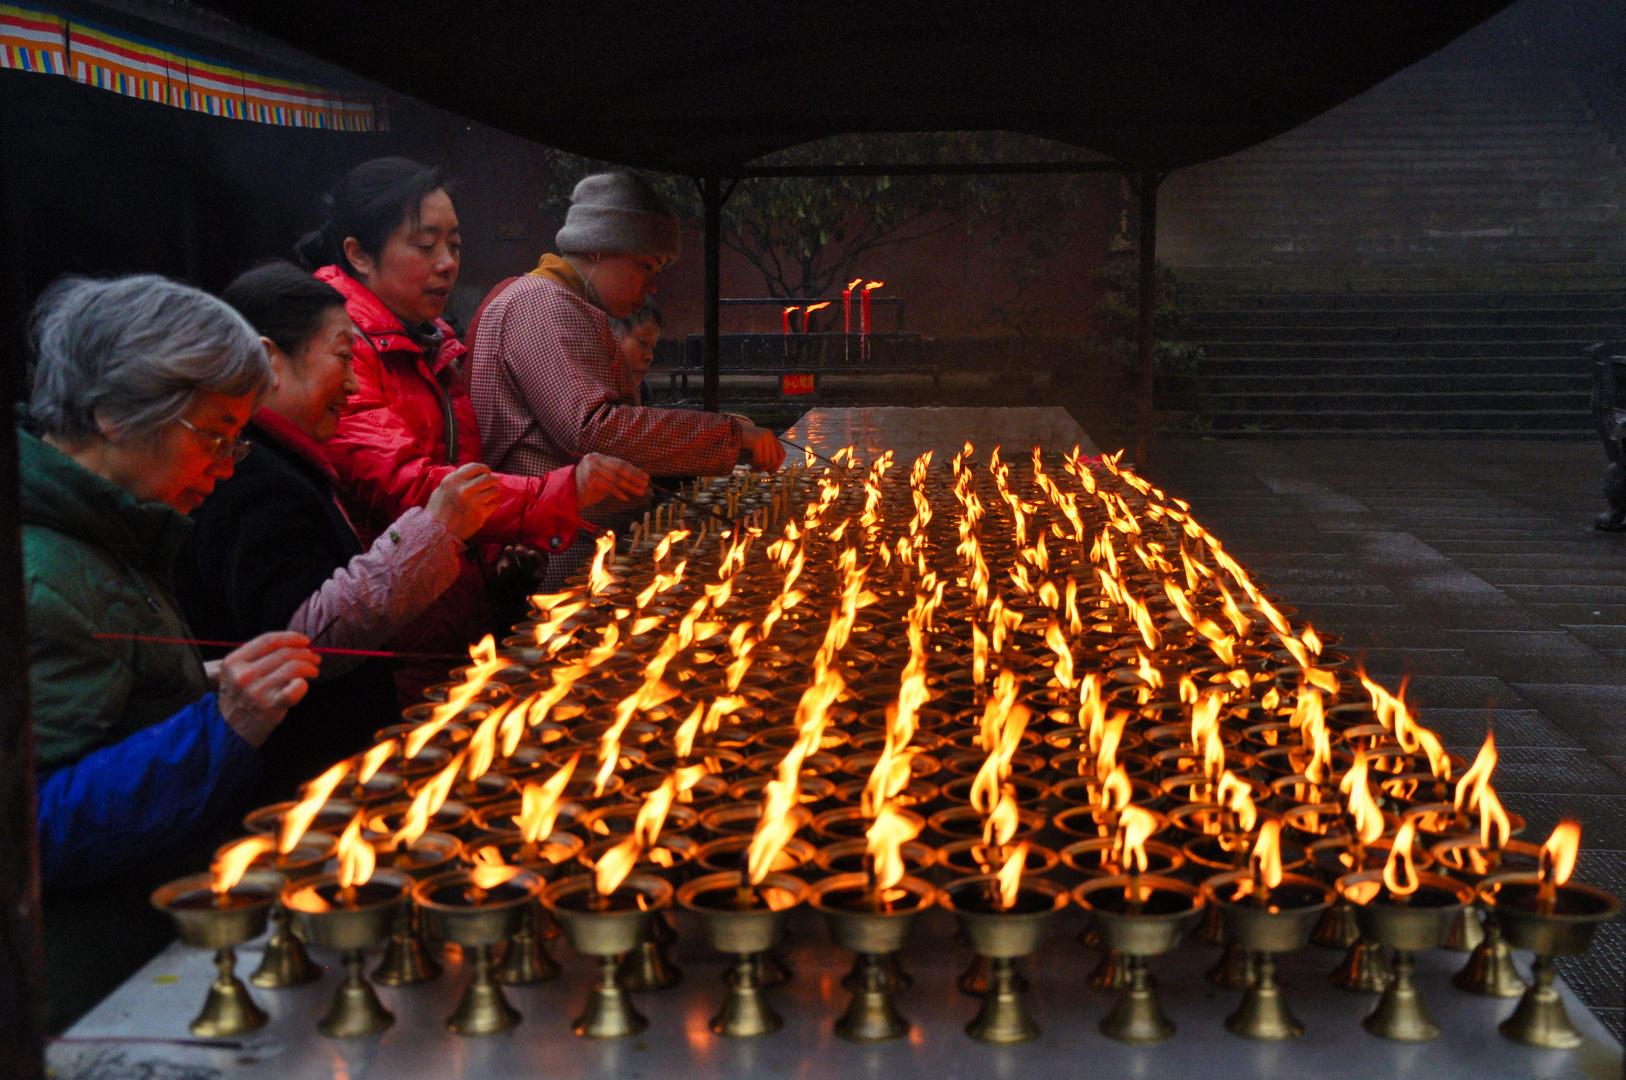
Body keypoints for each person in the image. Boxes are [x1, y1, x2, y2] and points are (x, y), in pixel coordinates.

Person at [22, 274, 321, 1030]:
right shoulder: (42, 577)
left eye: (236, 441)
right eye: (213, 434)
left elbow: (103, 704)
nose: (224, 467)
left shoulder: (110, 536)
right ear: (114, 414)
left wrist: (196, 681)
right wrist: (222, 726)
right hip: (85, 989)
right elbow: (32, 825)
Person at [294, 157, 648, 697]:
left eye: (454, 245)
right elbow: (409, 486)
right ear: (359, 254)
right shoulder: (344, 350)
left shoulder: (431, 344)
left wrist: (495, 564)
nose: (446, 263)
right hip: (387, 647)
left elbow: (460, 480)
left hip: (449, 623)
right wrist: (561, 491)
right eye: (425, 244)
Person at [177, 262, 501, 800]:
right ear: (267, 358)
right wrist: (436, 531)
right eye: (344, 357)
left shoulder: (288, 462)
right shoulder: (251, 476)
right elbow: (304, 636)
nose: (353, 383)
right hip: (297, 787)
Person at [467, 170, 787, 483]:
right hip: (554, 532)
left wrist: (725, 439)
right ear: (597, 248)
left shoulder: (571, 305)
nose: (652, 285)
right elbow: (593, 431)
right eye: (646, 266)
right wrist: (728, 435)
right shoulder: (542, 303)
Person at [612, 297, 660, 405]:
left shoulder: (642, 394)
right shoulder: (587, 395)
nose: (650, 356)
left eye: (652, 346)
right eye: (642, 342)